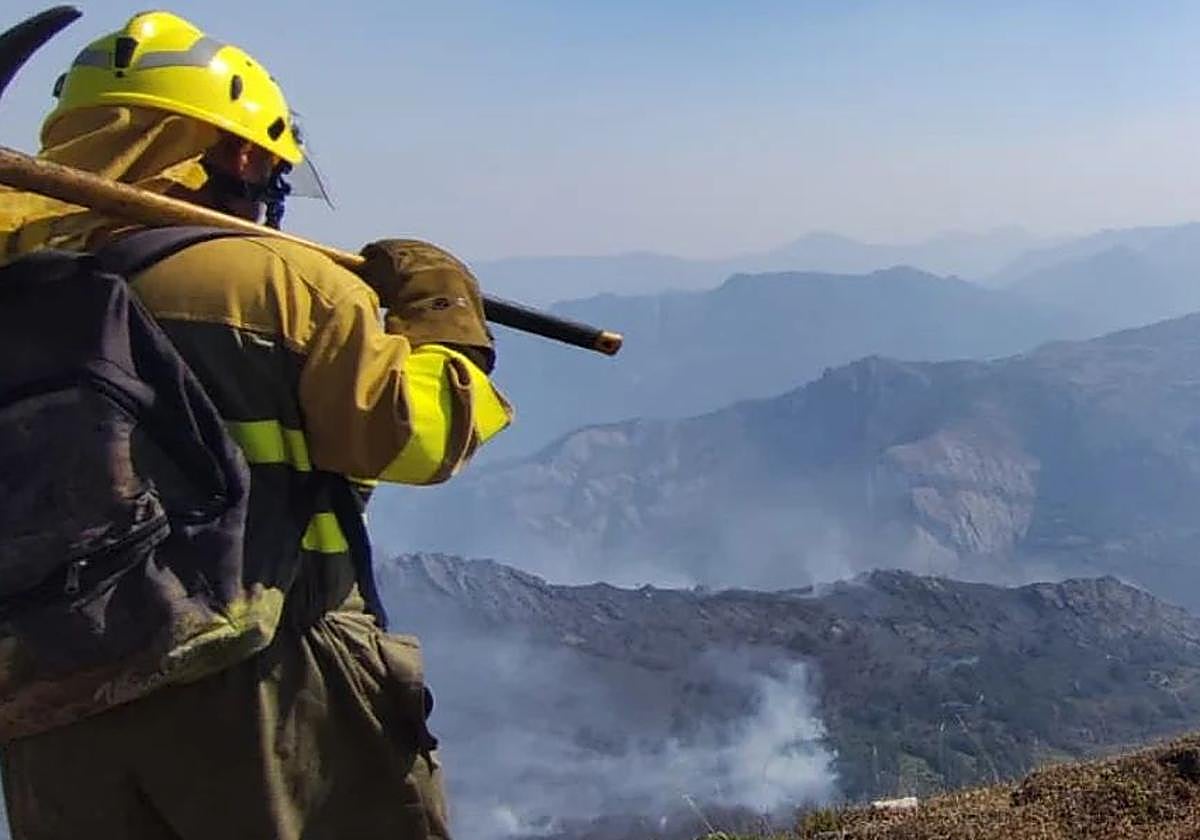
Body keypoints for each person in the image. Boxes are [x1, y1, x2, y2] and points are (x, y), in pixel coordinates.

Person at [0, 10, 511, 839]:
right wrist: (443, 313)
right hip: (265, 687)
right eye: (270, 158)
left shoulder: (16, 278)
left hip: (50, 701)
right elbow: (418, 438)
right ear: (238, 152)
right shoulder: (285, 284)